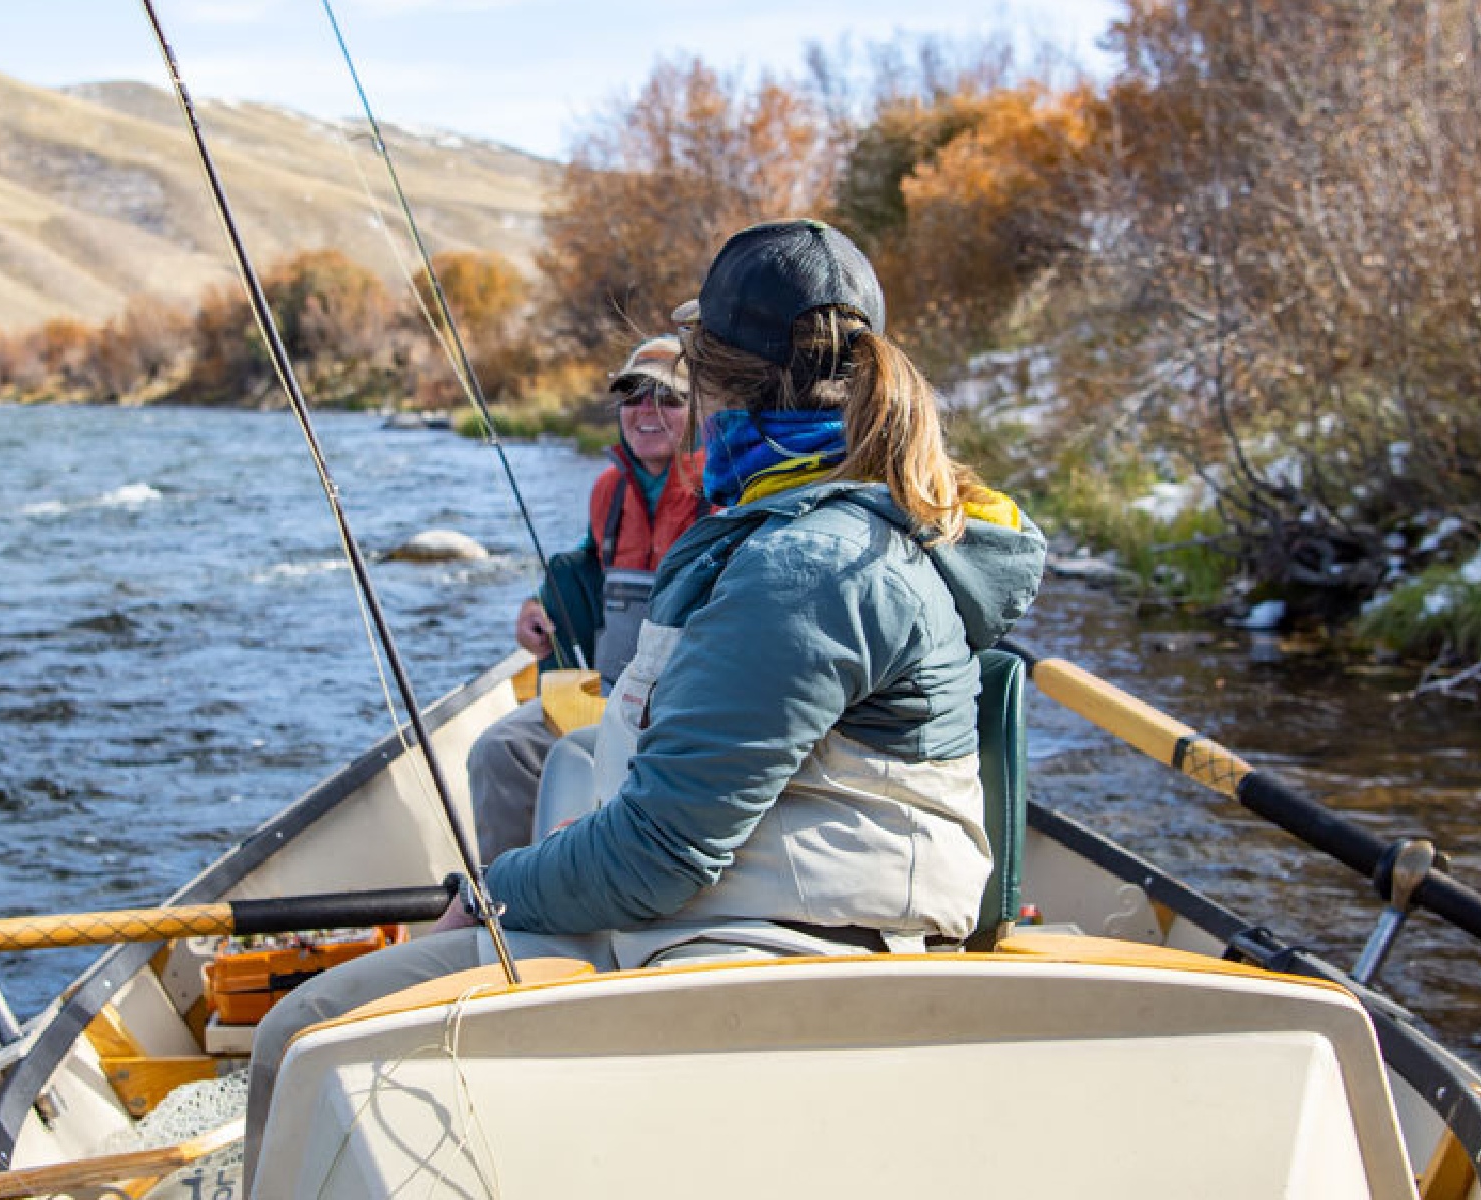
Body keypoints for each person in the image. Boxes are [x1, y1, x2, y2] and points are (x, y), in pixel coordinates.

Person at [243, 219, 1045, 1188]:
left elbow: (664, 853)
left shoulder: (806, 564)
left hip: (761, 950)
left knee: (299, 1034)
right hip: (752, 915)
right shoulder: (836, 524)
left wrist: (495, 893)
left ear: (714, 382)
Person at [467, 334, 706, 863]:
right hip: (611, 693)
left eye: (668, 398)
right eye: (633, 396)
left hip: (686, 708)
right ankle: (509, 899)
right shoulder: (607, 490)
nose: (648, 411)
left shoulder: (726, 485)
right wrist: (537, 607)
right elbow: (589, 560)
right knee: (499, 751)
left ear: (699, 409)